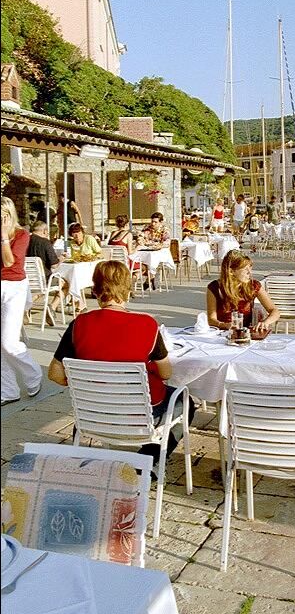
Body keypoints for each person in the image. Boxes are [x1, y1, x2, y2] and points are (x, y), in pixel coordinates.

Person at [48, 260, 196, 469]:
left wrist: (83, 379)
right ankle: (148, 460)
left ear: (96, 290)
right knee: (183, 399)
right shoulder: (146, 325)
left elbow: (54, 374)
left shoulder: (79, 324)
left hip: (92, 413)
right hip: (139, 414)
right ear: (127, 289)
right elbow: (165, 373)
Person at [1, 196, 43, 405]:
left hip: (14, 288)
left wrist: (2, 236)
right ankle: (8, 390)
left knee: (8, 342)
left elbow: (9, 262)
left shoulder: (21, 234)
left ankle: (34, 375)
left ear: (9, 216)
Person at [206, 250, 280, 331]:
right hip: (221, 332)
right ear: (231, 271)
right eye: (245, 269)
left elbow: (274, 311)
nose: (250, 272)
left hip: (246, 332)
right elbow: (211, 320)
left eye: (250, 268)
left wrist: (265, 322)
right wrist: (225, 325)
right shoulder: (215, 287)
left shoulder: (253, 285)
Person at [27, 220, 66, 321]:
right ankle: (52, 307)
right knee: (66, 284)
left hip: (28, 279)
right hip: (45, 279)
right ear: (44, 231)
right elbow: (54, 265)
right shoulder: (45, 242)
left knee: (40, 289)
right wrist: (61, 259)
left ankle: (25, 306)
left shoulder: (25, 241)